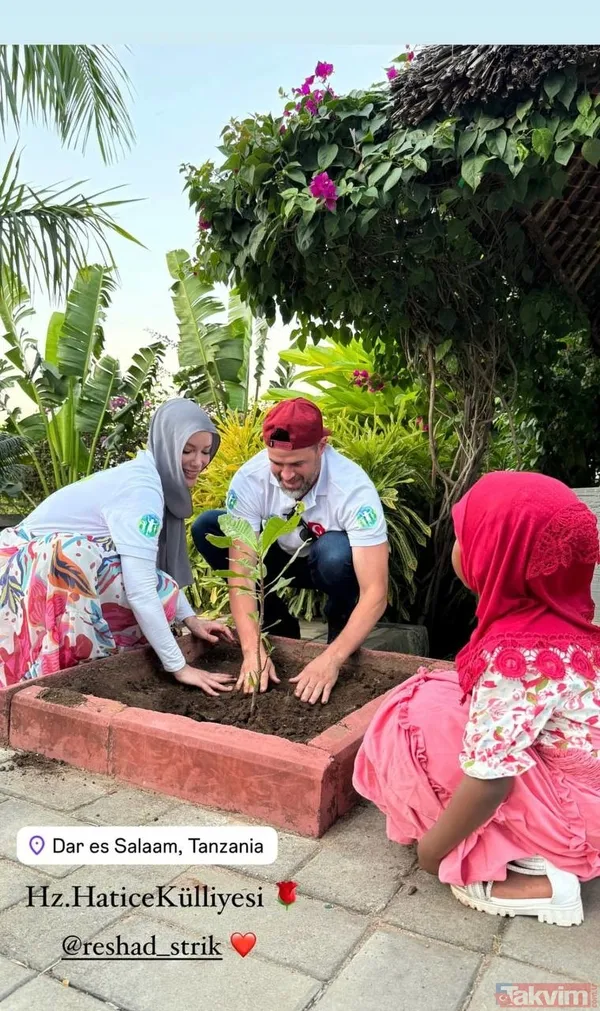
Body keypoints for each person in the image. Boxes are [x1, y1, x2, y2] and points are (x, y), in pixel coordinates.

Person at [353, 471, 600, 926]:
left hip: (575, 820)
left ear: (499, 553)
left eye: (469, 536)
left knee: (411, 717)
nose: (457, 548)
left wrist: (432, 854)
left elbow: (491, 780)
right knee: (442, 694)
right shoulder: (570, 627)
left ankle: (538, 878)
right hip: (586, 791)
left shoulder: (517, 658)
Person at [0, 399, 235, 695]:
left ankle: (105, 664)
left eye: (205, 451)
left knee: (156, 583)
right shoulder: (142, 491)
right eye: (186, 450)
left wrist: (191, 620)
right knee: (90, 560)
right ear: (165, 444)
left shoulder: (153, 478)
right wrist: (180, 666)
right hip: (18, 568)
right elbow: (141, 590)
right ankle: (69, 675)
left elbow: (154, 570)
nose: (198, 462)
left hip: (35, 565)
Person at [192, 398, 389, 705]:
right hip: (278, 562)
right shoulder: (249, 480)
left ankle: (339, 635)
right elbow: (242, 573)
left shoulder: (353, 489)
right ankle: (279, 625)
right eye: (277, 463)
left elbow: (375, 591)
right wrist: (251, 648)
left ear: (321, 447)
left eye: (297, 464)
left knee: (336, 553)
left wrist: (332, 659)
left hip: (326, 564)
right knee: (208, 525)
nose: (286, 475)